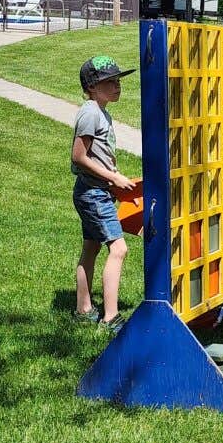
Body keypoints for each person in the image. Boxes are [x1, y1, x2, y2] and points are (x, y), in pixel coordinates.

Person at [71, 55, 136, 332]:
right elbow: (78, 156)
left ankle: (83, 309)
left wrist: (114, 180)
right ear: (92, 87)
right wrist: (112, 177)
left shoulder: (101, 112)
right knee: (118, 249)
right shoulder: (90, 113)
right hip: (93, 194)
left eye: (118, 80)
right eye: (109, 81)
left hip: (97, 190)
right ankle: (110, 318)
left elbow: (100, 155)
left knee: (91, 247)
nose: (117, 85)